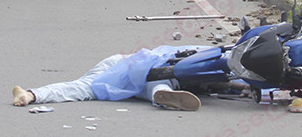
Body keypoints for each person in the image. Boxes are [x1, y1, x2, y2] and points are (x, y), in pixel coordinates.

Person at [12, 46, 208, 111]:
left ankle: (31, 94)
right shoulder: (168, 57)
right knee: (155, 82)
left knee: (83, 87)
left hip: (117, 70)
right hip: (140, 70)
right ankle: (162, 94)